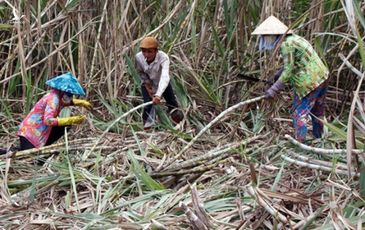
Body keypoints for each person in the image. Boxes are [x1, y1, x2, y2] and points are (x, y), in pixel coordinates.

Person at [252, 15, 329, 142]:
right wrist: (276, 76)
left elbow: (289, 70)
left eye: (265, 36)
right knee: (317, 112)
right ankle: (320, 140)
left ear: (272, 35)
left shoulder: (286, 45)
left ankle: (301, 145)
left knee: (298, 114)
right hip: (322, 77)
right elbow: (295, 63)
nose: (264, 40)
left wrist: (274, 89)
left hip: (309, 82)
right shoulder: (295, 39)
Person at [15, 72, 92, 151]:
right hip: (30, 134)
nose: (70, 96)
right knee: (30, 158)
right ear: (62, 91)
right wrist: (71, 119)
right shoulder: (53, 99)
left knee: (65, 126)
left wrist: (80, 103)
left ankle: (43, 147)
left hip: (38, 132)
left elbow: (63, 102)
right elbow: (48, 121)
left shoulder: (56, 95)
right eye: (69, 94)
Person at [135, 36, 183, 130]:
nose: (146, 54)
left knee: (172, 104)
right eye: (144, 51)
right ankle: (147, 130)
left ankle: (179, 126)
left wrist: (158, 95)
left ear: (156, 51)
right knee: (148, 105)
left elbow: (165, 76)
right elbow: (141, 72)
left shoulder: (163, 57)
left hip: (162, 82)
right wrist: (147, 85)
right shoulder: (138, 57)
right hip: (148, 82)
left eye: (150, 51)